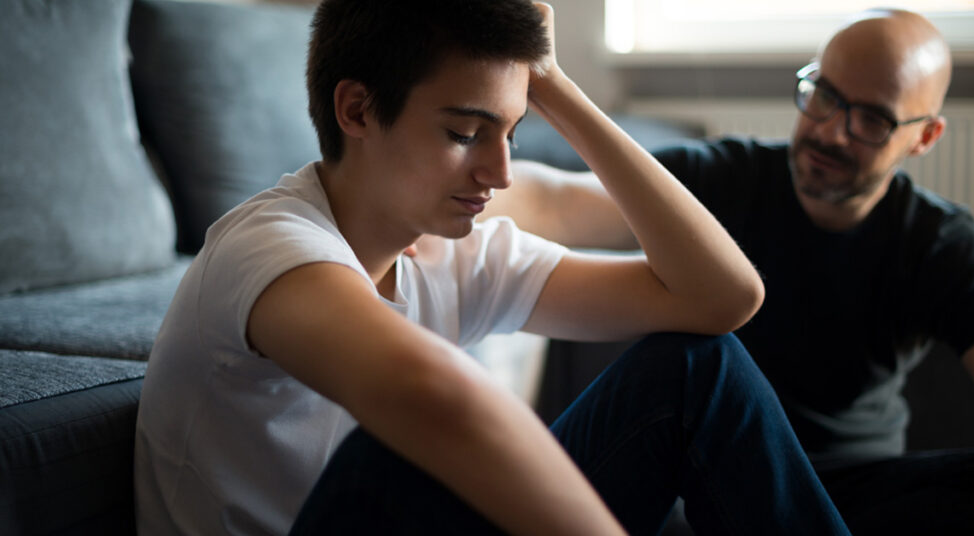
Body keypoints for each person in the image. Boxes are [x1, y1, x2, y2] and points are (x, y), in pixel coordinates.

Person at [131, 1, 857, 535]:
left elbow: (723, 297)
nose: (501, 171)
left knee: (699, 370)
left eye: (511, 133)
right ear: (355, 108)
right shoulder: (272, 246)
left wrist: (560, 91)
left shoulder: (457, 249)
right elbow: (436, 398)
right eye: (465, 133)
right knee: (397, 456)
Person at [485, 8, 974, 536]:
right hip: (713, 478)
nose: (832, 132)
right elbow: (558, 200)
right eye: (824, 96)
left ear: (924, 137)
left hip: (854, 495)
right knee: (696, 367)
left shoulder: (940, 244)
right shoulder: (729, 179)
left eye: (871, 120)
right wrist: (438, 196)